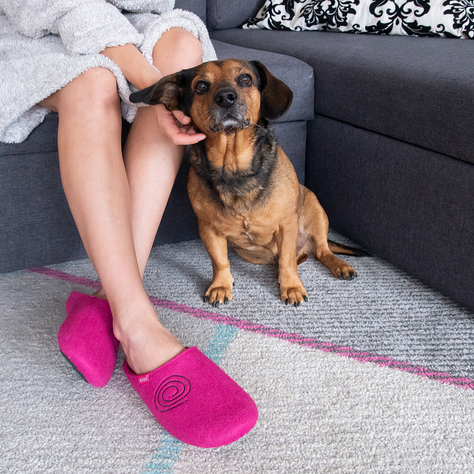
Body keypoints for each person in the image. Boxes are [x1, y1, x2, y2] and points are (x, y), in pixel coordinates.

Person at [0, 0, 258, 448]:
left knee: (182, 44)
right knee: (92, 81)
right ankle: (138, 326)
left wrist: (154, 75)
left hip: (126, 24)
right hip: (34, 28)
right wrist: (151, 87)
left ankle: (110, 300)